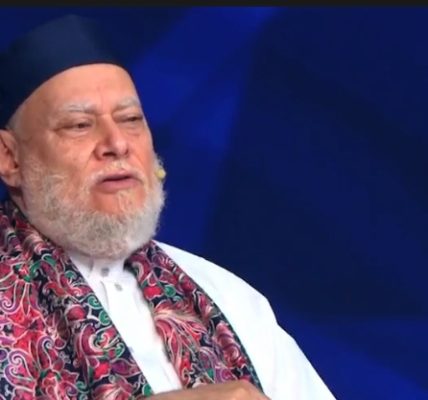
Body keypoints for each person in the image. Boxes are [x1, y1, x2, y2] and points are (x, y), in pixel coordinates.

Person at [0, 14, 335, 400]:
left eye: (130, 120)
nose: (117, 144)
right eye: (79, 125)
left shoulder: (226, 297)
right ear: (10, 157)